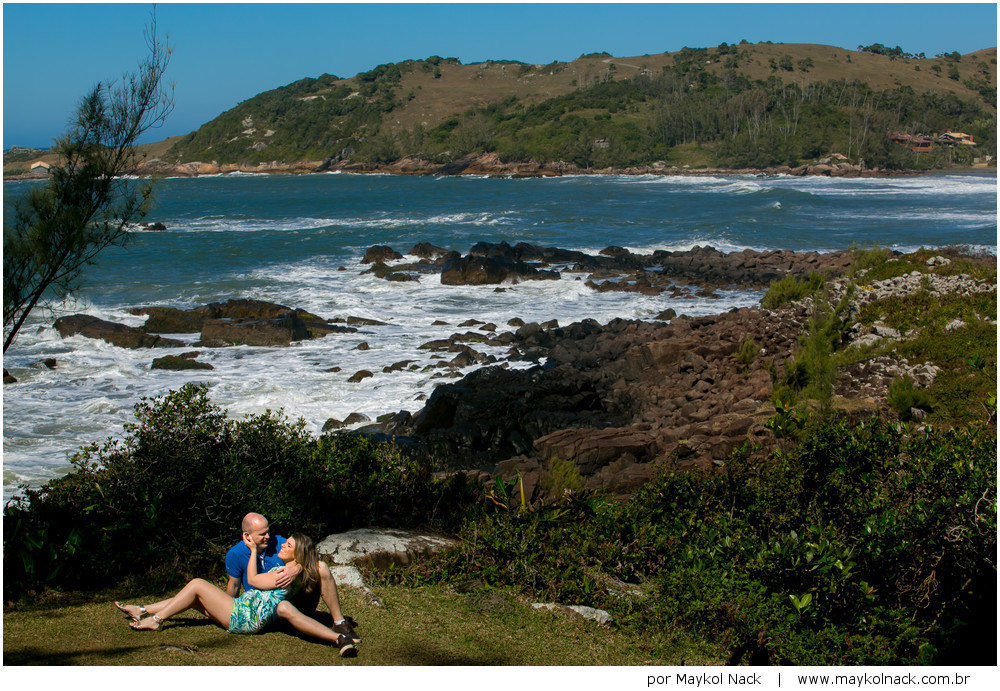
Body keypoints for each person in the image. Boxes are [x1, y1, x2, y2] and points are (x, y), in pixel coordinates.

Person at [114, 532, 358, 657]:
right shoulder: (292, 569)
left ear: (298, 555)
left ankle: (156, 621)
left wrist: (252, 550)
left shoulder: (283, 572)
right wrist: (298, 566)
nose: (282, 544)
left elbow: (251, 580)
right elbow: (312, 563)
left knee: (197, 584)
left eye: (288, 546)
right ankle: (143, 609)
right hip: (242, 609)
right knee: (192, 596)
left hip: (241, 614)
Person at [225, 513, 360, 644]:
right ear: (247, 535)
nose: (268, 536)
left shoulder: (278, 542)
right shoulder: (235, 554)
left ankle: (339, 622)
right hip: (266, 605)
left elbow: (304, 553)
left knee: (321, 567)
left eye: (268, 531)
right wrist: (226, 611)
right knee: (282, 606)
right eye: (262, 534)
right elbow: (235, 585)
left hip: (293, 596)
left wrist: (297, 569)